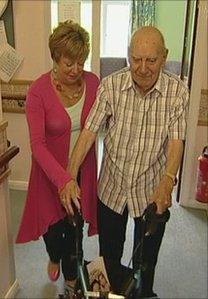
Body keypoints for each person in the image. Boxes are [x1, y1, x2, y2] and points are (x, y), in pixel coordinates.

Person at [62, 26, 189, 298]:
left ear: (164, 57)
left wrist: (167, 183)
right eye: (136, 59)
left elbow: (176, 141)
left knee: (146, 261)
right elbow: (89, 132)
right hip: (112, 186)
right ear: (129, 56)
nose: (142, 68)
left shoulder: (177, 92)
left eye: (151, 60)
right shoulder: (111, 86)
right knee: (108, 257)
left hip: (151, 190)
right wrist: (68, 177)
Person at [16, 20, 100, 294]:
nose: (76, 70)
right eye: (68, 63)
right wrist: (63, 179)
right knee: (53, 233)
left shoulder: (93, 83)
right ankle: (53, 255)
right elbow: (37, 145)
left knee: (74, 234)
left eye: (81, 62)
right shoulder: (38, 91)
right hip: (50, 176)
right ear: (55, 58)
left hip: (82, 173)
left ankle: (71, 284)